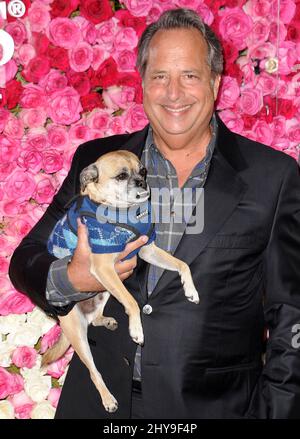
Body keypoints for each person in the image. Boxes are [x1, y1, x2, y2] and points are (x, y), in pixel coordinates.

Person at [9, 8, 300, 419]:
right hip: (96, 404)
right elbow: (26, 260)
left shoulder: (272, 177)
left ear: (216, 83)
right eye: (160, 76)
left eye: (190, 76)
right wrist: (69, 278)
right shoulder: (95, 161)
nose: (173, 93)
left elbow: (292, 313)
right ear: (142, 84)